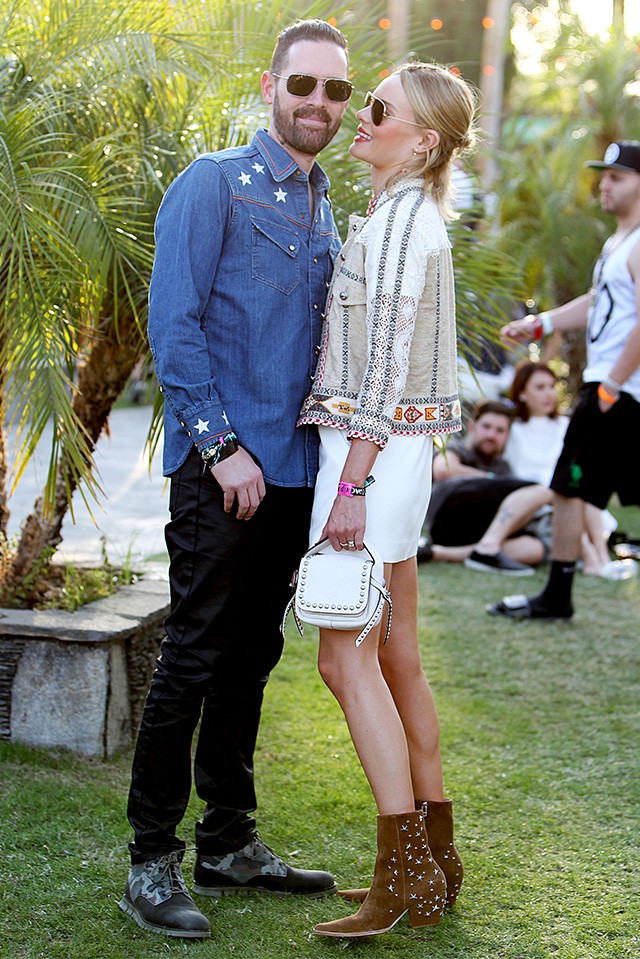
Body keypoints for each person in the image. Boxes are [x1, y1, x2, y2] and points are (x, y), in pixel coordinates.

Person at [119, 19, 353, 939]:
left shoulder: (326, 203)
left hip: (292, 472)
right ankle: (151, 860)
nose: (319, 104)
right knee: (192, 654)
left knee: (252, 657)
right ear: (271, 86)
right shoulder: (212, 183)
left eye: (336, 91)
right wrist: (222, 447)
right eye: (304, 85)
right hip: (223, 472)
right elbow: (172, 324)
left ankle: (228, 840)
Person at [296, 61, 477, 938]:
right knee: (397, 655)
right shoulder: (406, 214)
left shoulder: (404, 221)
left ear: (423, 140)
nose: (360, 117)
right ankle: (435, 855)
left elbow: (385, 360)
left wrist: (351, 483)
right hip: (393, 455)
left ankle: (402, 873)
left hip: (370, 456)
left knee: (345, 660)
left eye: (379, 108)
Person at [489, 140, 640, 620]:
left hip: (617, 389)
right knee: (569, 488)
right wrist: (541, 325)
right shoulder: (618, 243)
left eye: (617, 177)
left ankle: (557, 596)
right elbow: (599, 302)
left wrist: (612, 385)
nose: (604, 184)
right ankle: (558, 595)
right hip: (609, 386)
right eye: (603, 175)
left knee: (568, 486)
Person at [419, 398, 546, 573]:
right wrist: (491, 478)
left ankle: (439, 553)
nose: (491, 435)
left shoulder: (504, 467)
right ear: (472, 426)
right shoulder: (458, 448)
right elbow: (443, 470)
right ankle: (486, 548)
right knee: (542, 491)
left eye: (500, 431)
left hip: (474, 531)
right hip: (449, 511)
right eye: (486, 427)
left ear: (507, 436)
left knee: (534, 549)